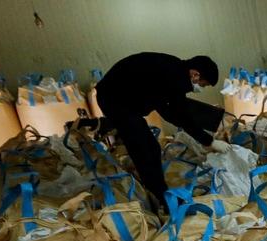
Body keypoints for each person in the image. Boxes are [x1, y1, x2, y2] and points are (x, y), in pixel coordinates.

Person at [95, 53, 224, 208]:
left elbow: (171, 112)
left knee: (152, 148)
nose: (200, 88)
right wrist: (209, 141)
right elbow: (179, 115)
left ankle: (160, 193)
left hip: (125, 100)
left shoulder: (174, 70)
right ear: (195, 74)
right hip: (114, 99)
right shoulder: (174, 76)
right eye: (202, 85)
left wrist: (204, 137)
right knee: (144, 148)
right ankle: (163, 200)